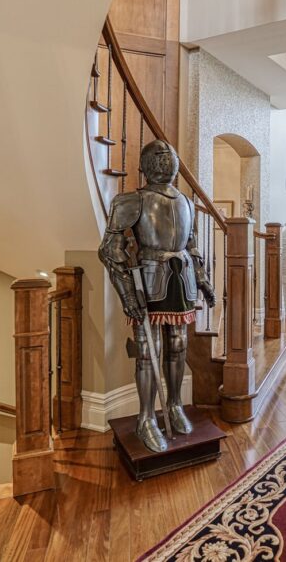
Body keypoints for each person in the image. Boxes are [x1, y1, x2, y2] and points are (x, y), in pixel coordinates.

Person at [99, 140, 215, 452]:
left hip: (181, 277)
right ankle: (147, 417)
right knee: (148, 350)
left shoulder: (186, 202)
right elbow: (110, 251)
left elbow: (191, 245)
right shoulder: (130, 200)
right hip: (148, 279)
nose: (165, 161)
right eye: (159, 158)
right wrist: (127, 294)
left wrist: (203, 279)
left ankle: (174, 405)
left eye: (168, 157)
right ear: (147, 164)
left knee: (178, 344)